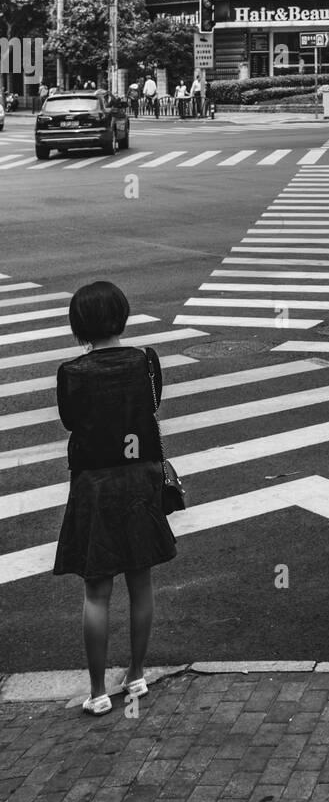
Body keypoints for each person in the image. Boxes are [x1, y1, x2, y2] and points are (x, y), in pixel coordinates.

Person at [53, 282, 176, 713]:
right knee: (140, 583)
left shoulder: (72, 373)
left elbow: (72, 422)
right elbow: (153, 405)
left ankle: (97, 691)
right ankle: (138, 675)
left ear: (79, 325)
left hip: (95, 485)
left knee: (96, 591)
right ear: (121, 317)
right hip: (140, 479)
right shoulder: (146, 362)